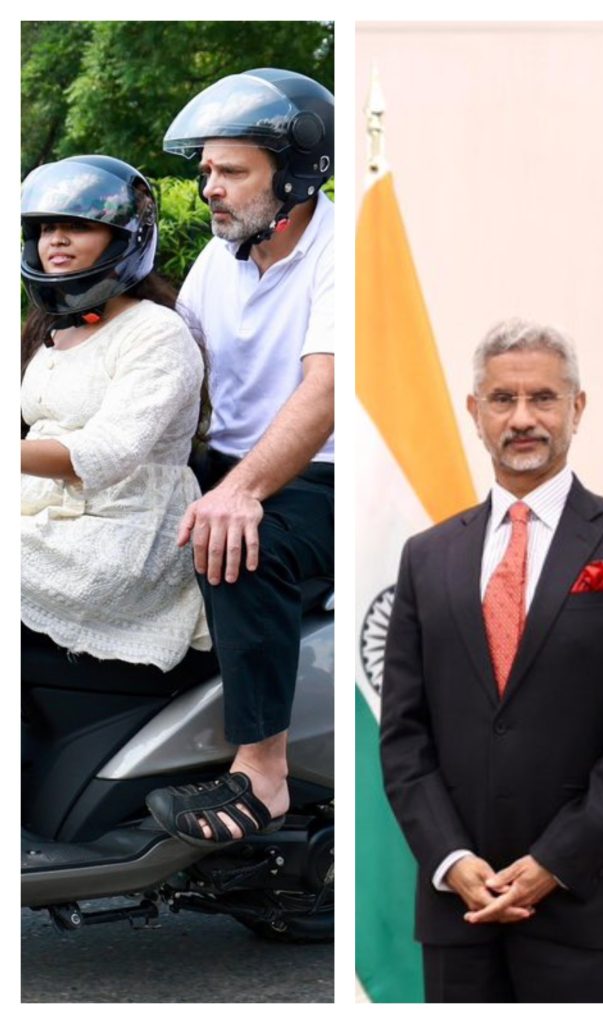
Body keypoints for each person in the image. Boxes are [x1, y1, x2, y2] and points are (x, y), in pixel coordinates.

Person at [380, 320, 603, 1003]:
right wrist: (450, 860)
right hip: (461, 910)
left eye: (543, 398)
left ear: (578, 407)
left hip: (590, 907)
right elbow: (403, 734)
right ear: (475, 413)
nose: (523, 419)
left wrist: (553, 861)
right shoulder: (428, 557)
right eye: (503, 400)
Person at [144, 69, 334, 848]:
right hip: (228, 462)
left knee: (241, 546)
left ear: (292, 174)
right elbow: (177, 373)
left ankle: (263, 773)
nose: (209, 187)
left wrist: (241, 490)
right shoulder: (218, 261)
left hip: (325, 474)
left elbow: (324, 392)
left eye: (230, 171)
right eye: (206, 170)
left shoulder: (340, 253)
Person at [21, 154, 209, 675]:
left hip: (126, 529)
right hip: (46, 515)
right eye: (46, 228)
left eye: (77, 225)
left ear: (122, 240)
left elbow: (108, 453)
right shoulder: (57, 329)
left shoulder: (156, 332)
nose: (55, 239)